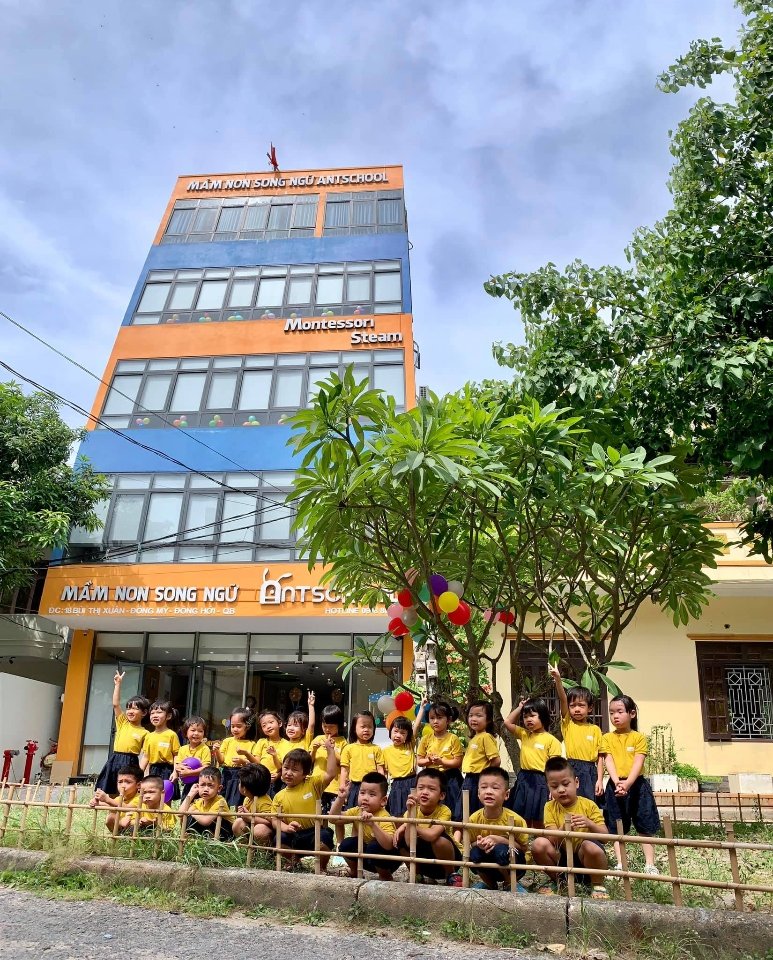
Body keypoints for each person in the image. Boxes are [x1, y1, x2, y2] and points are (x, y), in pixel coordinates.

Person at [532, 757, 609, 898]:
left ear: (576, 782)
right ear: (549, 788)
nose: (561, 790)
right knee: (538, 844)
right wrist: (563, 830)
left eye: (566, 784)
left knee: (589, 845)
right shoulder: (549, 807)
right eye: (554, 786)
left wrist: (589, 824)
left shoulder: (589, 805)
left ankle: (597, 884)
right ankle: (559, 881)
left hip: (586, 859)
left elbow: (605, 837)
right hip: (562, 859)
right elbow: (552, 839)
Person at [600, 695, 660, 875]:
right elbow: (608, 760)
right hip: (615, 785)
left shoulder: (638, 738)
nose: (615, 716)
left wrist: (628, 784)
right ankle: (621, 863)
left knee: (645, 825)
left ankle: (650, 864)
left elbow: (638, 762)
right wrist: (617, 782)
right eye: (612, 713)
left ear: (632, 713)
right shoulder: (607, 738)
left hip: (637, 786)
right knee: (617, 825)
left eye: (619, 712)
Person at [270, 743, 337, 870]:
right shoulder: (278, 796)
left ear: (305, 773)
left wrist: (330, 750)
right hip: (293, 834)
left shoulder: (313, 784)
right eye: (286, 768)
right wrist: (286, 827)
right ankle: (293, 862)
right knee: (279, 838)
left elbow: (331, 773)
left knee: (325, 837)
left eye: (295, 770)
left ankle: (321, 867)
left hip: (314, 832)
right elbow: (275, 820)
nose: (289, 773)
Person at [393, 768, 463, 885]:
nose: (425, 792)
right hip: (425, 862)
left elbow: (432, 835)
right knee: (400, 840)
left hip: (449, 861)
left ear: (442, 795)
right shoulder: (411, 811)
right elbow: (410, 843)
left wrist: (408, 825)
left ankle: (451, 875)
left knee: (439, 840)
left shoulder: (444, 811)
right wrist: (409, 817)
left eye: (431, 789)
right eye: (421, 788)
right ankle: (417, 874)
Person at [464, 766, 528, 892]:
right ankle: (489, 883)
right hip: (488, 863)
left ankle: (510, 883)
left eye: (495, 788)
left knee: (500, 850)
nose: (488, 792)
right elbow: (469, 843)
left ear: (506, 794)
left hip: (512, 863)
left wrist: (498, 840)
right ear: (478, 793)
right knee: (474, 853)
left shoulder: (516, 820)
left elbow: (523, 848)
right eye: (484, 787)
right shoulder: (473, 819)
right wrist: (480, 843)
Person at [504, 697, 562, 828]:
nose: (528, 719)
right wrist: (520, 707)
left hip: (541, 780)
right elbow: (507, 722)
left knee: (538, 816)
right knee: (520, 814)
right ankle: (522, 840)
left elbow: (554, 767)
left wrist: (553, 787)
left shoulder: (551, 740)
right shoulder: (524, 734)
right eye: (525, 717)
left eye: (532, 716)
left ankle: (539, 839)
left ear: (543, 716)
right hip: (523, 778)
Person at [330, 772, 398, 880]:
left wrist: (373, 824)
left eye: (372, 795)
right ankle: (355, 871)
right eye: (362, 793)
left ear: (383, 801)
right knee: (347, 844)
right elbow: (333, 819)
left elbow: (389, 845)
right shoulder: (357, 811)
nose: (365, 798)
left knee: (373, 847)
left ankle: (385, 876)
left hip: (387, 859)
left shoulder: (384, 816)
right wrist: (340, 798)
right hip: (367, 856)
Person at [549, 665, 603, 802]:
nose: (577, 709)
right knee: (570, 802)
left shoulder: (595, 729)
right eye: (572, 706)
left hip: (590, 771)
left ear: (590, 708)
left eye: (581, 705)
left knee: (588, 804)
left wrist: (600, 780)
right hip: (572, 767)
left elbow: (600, 758)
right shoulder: (568, 723)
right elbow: (563, 699)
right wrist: (558, 680)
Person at [95, 671, 150, 796]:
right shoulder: (123, 722)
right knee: (110, 789)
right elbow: (115, 704)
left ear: (144, 713)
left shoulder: (145, 733)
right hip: (115, 758)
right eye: (129, 708)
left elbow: (146, 755)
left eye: (135, 708)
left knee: (127, 793)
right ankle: (109, 807)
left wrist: (139, 771)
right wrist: (118, 684)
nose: (130, 711)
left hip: (131, 761)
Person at [416, 701, 464, 820]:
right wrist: (429, 761)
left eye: (439, 718)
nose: (435, 721)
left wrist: (442, 762)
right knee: (433, 809)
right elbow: (419, 761)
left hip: (451, 779)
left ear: (448, 720)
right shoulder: (426, 739)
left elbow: (458, 762)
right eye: (432, 718)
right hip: (431, 778)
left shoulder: (453, 738)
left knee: (453, 809)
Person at [211, 707, 260, 808]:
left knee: (238, 801)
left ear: (247, 726)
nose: (235, 729)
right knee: (223, 799)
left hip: (242, 775)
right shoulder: (227, 741)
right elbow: (221, 761)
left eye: (239, 726)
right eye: (233, 726)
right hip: (227, 774)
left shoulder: (252, 744)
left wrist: (243, 761)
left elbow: (255, 763)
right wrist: (216, 751)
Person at [461, 701, 501, 816]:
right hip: (469, 779)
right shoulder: (475, 737)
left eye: (478, 716)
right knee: (466, 811)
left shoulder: (486, 737)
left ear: (488, 720)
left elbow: (496, 760)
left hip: (478, 779)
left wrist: (485, 775)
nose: (473, 719)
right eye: (471, 715)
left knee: (475, 811)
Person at [340, 711, 385, 810]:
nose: (366, 730)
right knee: (353, 814)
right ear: (354, 728)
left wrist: (382, 789)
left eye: (370, 727)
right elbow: (344, 770)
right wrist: (342, 787)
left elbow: (380, 770)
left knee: (371, 814)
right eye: (363, 726)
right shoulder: (348, 748)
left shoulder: (376, 749)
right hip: (354, 787)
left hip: (372, 787)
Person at [139, 699, 181, 799]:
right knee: (153, 797)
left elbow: (177, 755)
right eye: (152, 713)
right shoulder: (149, 736)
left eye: (159, 712)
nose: (155, 715)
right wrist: (138, 774)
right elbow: (145, 757)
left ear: (168, 716)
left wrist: (175, 772)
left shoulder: (171, 735)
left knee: (166, 798)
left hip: (167, 770)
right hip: (153, 770)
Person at [310, 704, 347, 814]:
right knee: (318, 815)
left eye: (331, 726)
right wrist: (314, 750)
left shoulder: (343, 742)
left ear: (339, 725)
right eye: (324, 726)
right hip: (317, 785)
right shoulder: (318, 739)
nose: (327, 729)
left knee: (333, 816)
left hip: (334, 787)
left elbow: (343, 762)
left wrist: (331, 750)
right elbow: (310, 761)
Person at [178, 766, 234, 839]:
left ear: (219, 788)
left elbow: (206, 821)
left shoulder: (220, 801)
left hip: (224, 834)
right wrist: (191, 793)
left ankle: (212, 840)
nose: (206, 789)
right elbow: (180, 814)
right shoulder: (198, 801)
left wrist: (193, 812)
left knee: (214, 819)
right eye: (202, 785)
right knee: (187, 818)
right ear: (198, 786)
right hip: (206, 832)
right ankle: (195, 837)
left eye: (210, 785)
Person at [89, 765, 143, 833]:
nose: (123, 785)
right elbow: (111, 804)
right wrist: (97, 803)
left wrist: (107, 799)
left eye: (128, 782)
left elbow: (127, 807)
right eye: (120, 782)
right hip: (122, 828)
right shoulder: (119, 798)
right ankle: (118, 834)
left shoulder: (140, 798)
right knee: (111, 816)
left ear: (138, 785)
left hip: (136, 828)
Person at [232, 762, 273, 845]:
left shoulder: (263, 802)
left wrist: (250, 818)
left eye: (240, 782)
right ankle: (245, 848)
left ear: (244, 789)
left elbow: (271, 822)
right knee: (238, 822)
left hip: (265, 831)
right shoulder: (247, 799)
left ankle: (262, 851)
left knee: (260, 830)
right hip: (252, 827)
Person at [383, 716, 416, 816]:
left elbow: (416, 726)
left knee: (413, 812)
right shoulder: (385, 751)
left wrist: (422, 709)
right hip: (396, 784)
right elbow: (384, 772)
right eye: (396, 731)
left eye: (402, 733)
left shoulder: (409, 745)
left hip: (412, 782)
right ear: (390, 732)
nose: (398, 735)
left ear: (408, 736)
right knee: (396, 813)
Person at [172, 716, 212, 800]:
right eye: (193, 730)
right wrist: (179, 769)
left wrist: (189, 773)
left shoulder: (205, 749)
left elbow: (206, 768)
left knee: (199, 805)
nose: (196, 733)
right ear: (186, 732)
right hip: (187, 784)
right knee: (186, 803)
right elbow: (178, 765)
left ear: (204, 734)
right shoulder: (182, 749)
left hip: (201, 784)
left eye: (200, 731)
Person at [254, 709, 289, 794]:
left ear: (279, 723)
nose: (268, 726)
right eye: (264, 725)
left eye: (271, 722)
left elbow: (283, 767)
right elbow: (256, 763)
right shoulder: (261, 742)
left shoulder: (287, 744)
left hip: (278, 782)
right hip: (261, 779)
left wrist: (278, 774)